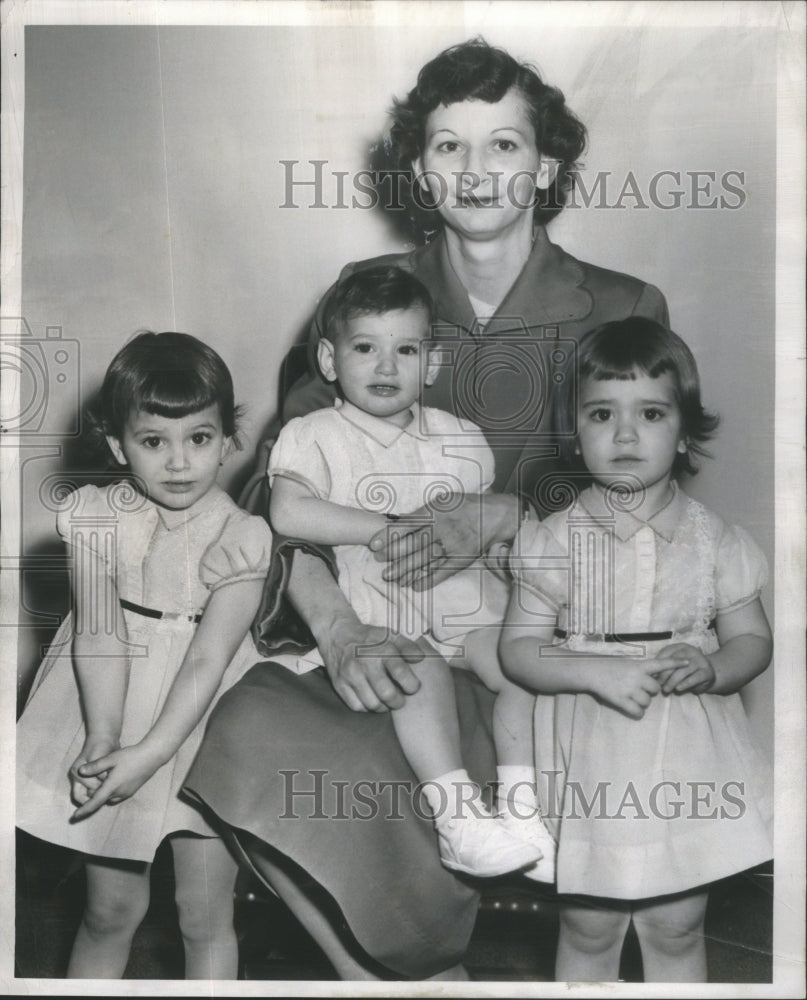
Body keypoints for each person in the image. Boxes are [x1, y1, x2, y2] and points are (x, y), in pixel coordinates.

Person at [185, 38, 670, 979]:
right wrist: (338, 626)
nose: (476, 172)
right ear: (419, 168)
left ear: (545, 167)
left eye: (503, 145)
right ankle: (398, 975)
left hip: (529, 633)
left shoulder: (618, 305)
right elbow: (272, 498)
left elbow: (641, 487)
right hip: (373, 619)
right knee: (251, 729)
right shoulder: (368, 302)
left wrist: (509, 513)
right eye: (449, 146)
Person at [499, 317, 773, 983]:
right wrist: (592, 671)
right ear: (575, 433)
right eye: (602, 414)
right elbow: (519, 649)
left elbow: (752, 641)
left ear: (683, 433)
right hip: (592, 754)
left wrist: (712, 667)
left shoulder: (716, 539)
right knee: (589, 925)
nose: (625, 434)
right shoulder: (552, 539)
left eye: (650, 413)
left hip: (687, 757)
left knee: (674, 924)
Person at [269, 264, 555, 880]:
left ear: (430, 364)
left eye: (406, 350)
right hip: (382, 599)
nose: (385, 366)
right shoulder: (313, 435)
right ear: (328, 359)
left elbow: (485, 538)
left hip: (463, 599)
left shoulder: (462, 439)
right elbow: (288, 512)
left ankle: (522, 809)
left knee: (521, 666)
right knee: (415, 667)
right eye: (364, 348)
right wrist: (383, 527)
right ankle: (457, 818)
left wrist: (508, 554)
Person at [16, 332, 273, 979]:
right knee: (110, 911)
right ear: (116, 445)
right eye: (153, 441)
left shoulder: (244, 536)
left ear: (229, 439)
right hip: (115, 699)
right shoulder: (94, 517)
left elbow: (208, 660)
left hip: (206, 721)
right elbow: (99, 633)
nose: (179, 462)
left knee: (202, 915)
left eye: (200, 438)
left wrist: (150, 753)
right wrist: (105, 741)